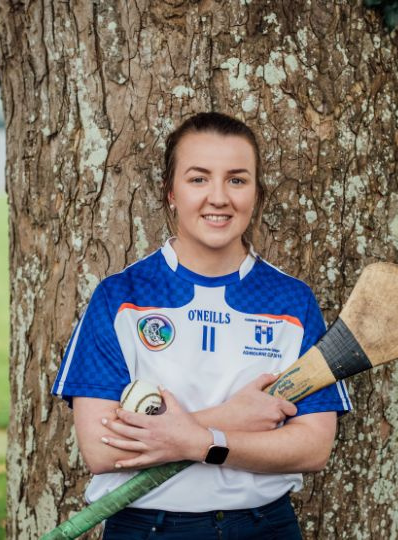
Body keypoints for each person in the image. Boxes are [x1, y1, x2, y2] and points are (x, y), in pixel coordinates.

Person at [51, 112, 352, 539]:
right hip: (147, 528)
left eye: (236, 179)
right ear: (170, 192)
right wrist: (229, 417)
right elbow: (101, 449)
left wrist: (198, 441)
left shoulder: (291, 301)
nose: (218, 197)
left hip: (263, 526)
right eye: (198, 179)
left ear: (256, 193)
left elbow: (313, 445)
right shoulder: (120, 298)